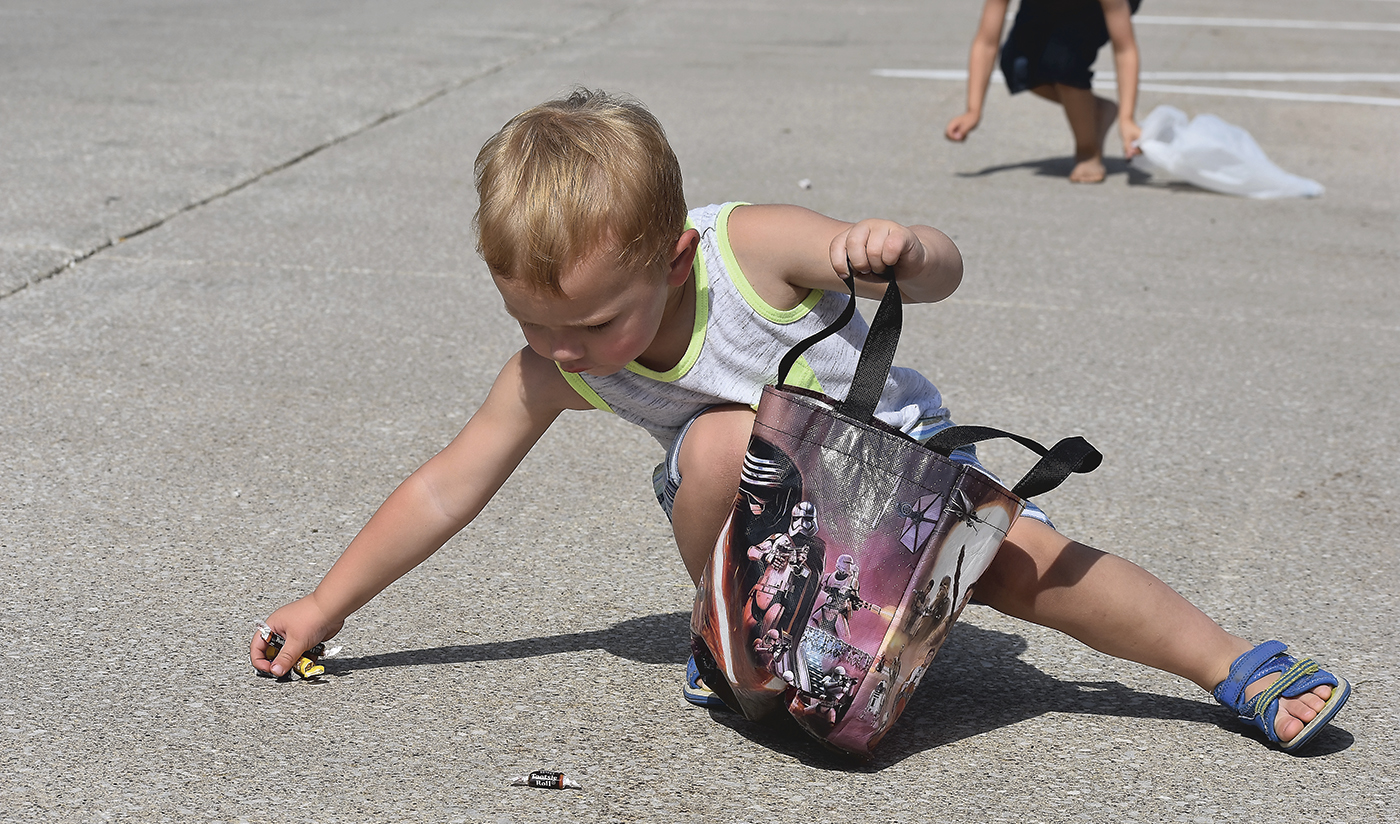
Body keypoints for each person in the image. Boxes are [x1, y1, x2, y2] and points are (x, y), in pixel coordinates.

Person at [250, 89, 1350, 754]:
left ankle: (1228, 665)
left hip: (897, 483)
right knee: (722, 441)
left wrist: (899, 250)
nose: (562, 350)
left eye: (588, 322)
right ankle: (733, 636)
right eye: (529, 323)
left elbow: (942, 274)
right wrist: (324, 604)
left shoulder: (750, 250)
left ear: (673, 255)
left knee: (1035, 569)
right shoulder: (557, 364)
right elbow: (450, 481)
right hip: (761, 539)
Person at [945, 0, 1143, 183]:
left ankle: (1088, 152)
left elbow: (1124, 49)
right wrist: (973, 110)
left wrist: (1127, 118)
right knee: (1016, 65)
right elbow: (986, 42)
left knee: (1064, 62)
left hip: (1096, 7)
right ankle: (1096, 110)